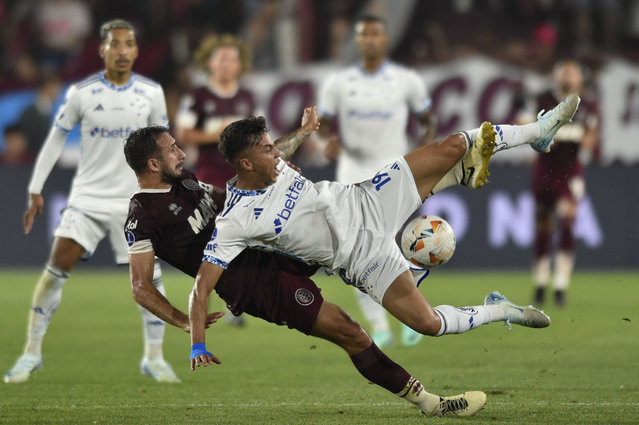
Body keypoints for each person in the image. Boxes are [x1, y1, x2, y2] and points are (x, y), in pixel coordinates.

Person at [123, 109, 488, 417]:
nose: (182, 154)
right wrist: (183, 321)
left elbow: (231, 195)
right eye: (172, 150)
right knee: (349, 331)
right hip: (251, 280)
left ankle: (406, 272)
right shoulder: (142, 215)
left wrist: (274, 173)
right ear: (153, 163)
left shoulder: (182, 181)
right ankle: (429, 402)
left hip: (269, 247)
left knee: (351, 246)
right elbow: (140, 286)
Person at [189, 94, 581, 375]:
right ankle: (500, 309)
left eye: (273, 146)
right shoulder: (235, 220)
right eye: (265, 150)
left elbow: (283, 148)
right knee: (427, 324)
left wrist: (305, 130)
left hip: (367, 200)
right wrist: (198, 342)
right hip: (360, 258)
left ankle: (536, 132)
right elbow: (201, 288)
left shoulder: (272, 162)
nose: (276, 153)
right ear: (245, 163)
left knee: (454, 144)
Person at [4, 19, 178, 384]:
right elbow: (56, 138)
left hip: (132, 201)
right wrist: (36, 187)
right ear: (102, 50)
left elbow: (163, 145)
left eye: (129, 44)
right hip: (87, 197)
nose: (122, 50)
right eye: (115, 44)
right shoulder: (81, 93)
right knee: (55, 269)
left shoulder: (150, 93)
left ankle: (155, 357)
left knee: (149, 280)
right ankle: (31, 352)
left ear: (135, 50)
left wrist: (167, 190)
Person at [316, 15, 437, 348]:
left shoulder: (406, 80)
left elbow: (428, 119)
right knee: (356, 255)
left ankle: (413, 314)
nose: (369, 40)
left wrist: (424, 148)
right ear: (357, 41)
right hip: (352, 177)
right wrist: (325, 141)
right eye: (363, 34)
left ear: (385, 40)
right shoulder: (338, 83)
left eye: (375, 34)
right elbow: (322, 125)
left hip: (393, 177)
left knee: (404, 247)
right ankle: (379, 325)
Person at [175, 33, 255, 326]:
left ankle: (237, 304)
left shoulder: (246, 97)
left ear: (239, 64)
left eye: (232, 59)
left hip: (243, 181)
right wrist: (219, 133)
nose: (226, 64)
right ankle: (202, 303)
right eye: (221, 58)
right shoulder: (197, 96)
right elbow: (183, 134)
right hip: (209, 180)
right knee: (208, 243)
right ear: (209, 63)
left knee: (242, 242)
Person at [520, 60, 599, 307]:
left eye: (573, 72)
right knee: (543, 226)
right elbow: (522, 123)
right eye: (564, 72)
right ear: (556, 77)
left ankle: (561, 285)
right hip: (545, 169)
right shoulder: (542, 99)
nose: (568, 76)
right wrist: (540, 134)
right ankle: (541, 281)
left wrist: (581, 138)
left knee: (567, 223)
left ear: (580, 79)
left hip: (571, 170)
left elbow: (591, 139)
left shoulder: (587, 104)